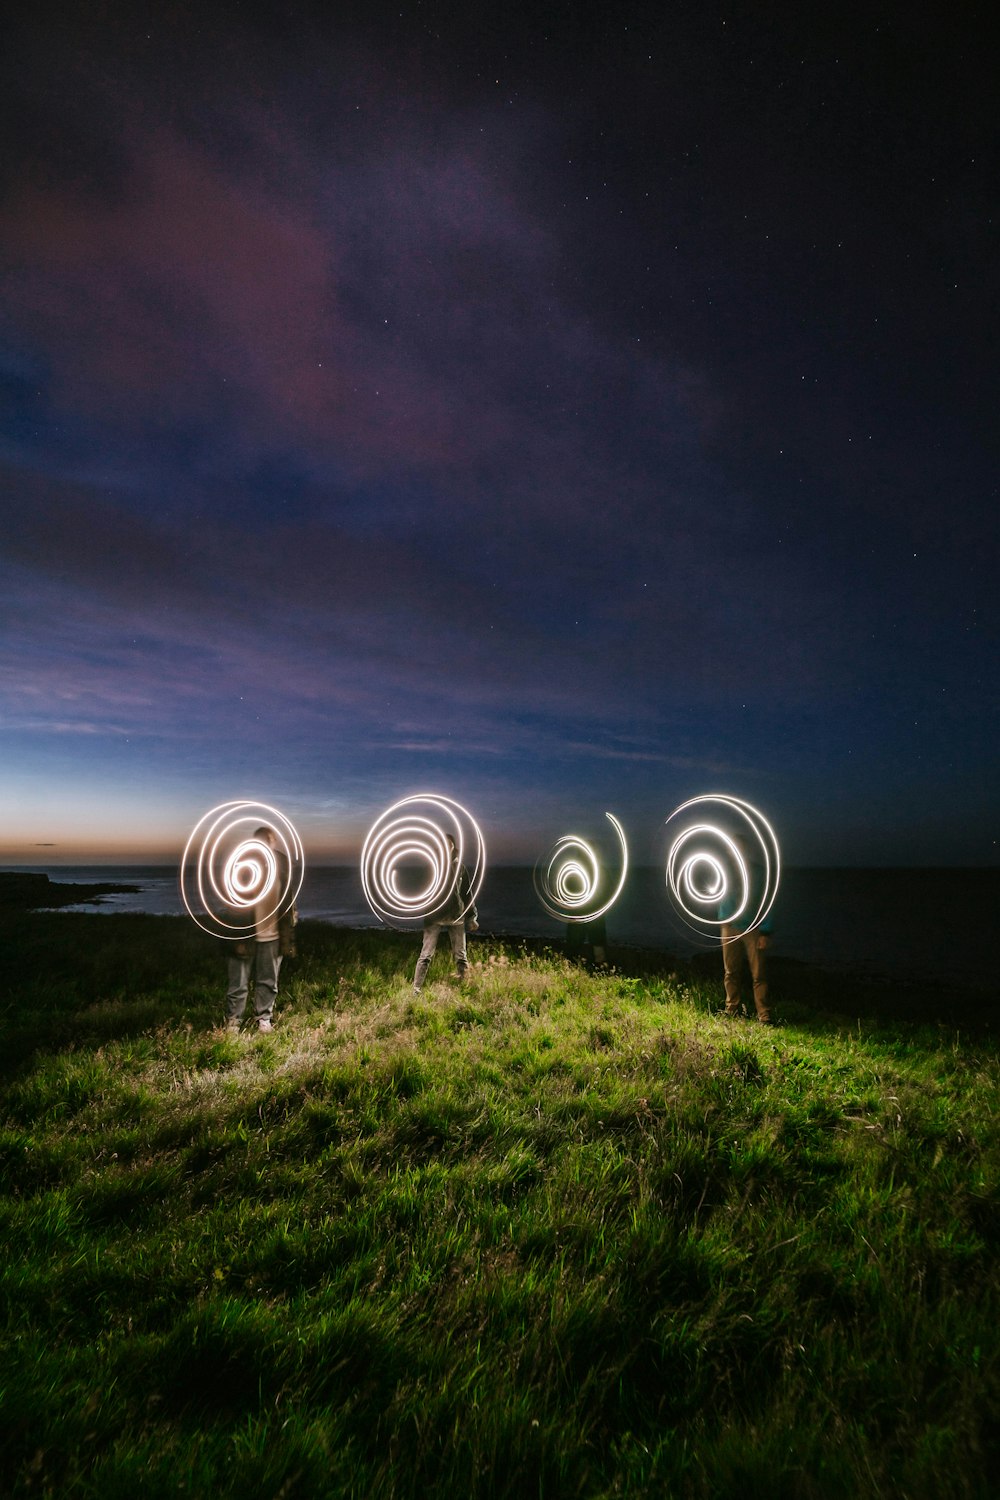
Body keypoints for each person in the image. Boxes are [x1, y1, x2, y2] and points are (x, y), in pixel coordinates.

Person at [225, 826, 297, 1032]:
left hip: (273, 934)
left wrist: (290, 925)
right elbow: (231, 898)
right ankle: (233, 1021)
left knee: (269, 980)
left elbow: (288, 897)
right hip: (244, 933)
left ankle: (264, 1018)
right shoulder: (243, 862)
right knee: (238, 981)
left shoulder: (282, 863)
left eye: (270, 840)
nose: (268, 843)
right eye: (263, 839)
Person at [412, 835, 478, 993]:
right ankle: (416, 989)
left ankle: (464, 989)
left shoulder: (460, 867)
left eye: (449, 844)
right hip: (434, 917)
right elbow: (423, 889)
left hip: (456, 917)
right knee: (426, 955)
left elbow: (467, 893)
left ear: (453, 846)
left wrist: (472, 917)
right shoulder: (432, 866)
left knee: (461, 956)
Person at [719, 846, 773, 1023]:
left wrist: (765, 930)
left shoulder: (758, 872)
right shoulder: (724, 870)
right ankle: (731, 1010)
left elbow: (768, 902)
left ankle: (764, 1015)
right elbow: (719, 894)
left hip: (753, 928)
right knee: (730, 972)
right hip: (729, 927)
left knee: (759, 974)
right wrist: (722, 917)